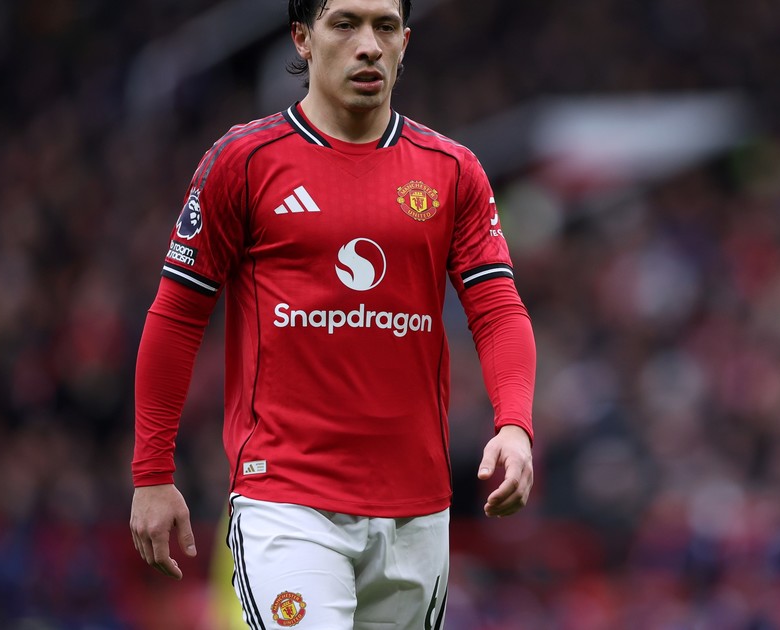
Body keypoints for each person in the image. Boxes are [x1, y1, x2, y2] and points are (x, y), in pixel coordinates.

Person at [128, 0, 537, 627]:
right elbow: (177, 317)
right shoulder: (244, 162)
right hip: (286, 502)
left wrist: (515, 424)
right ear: (302, 38)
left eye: (384, 26)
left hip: (417, 510)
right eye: (345, 24)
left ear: (405, 41)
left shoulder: (452, 171)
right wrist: (152, 472)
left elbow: (498, 309)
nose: (367, 44)